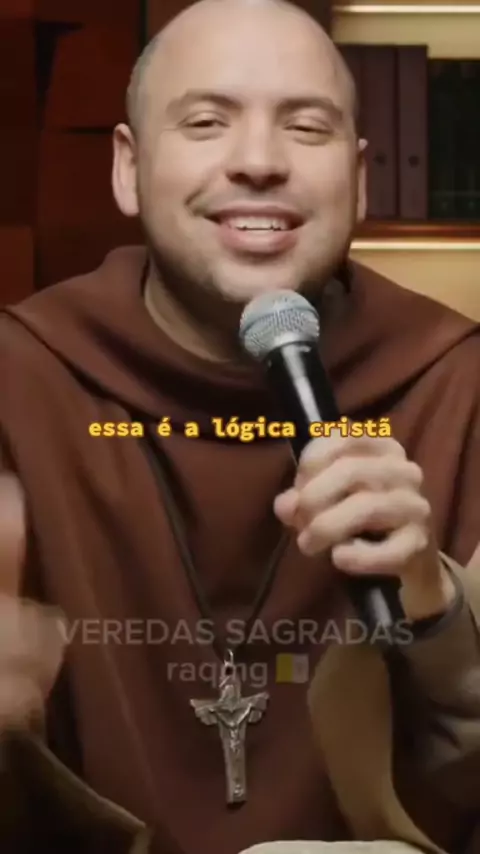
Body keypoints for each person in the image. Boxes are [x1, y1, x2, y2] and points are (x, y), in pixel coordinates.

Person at [0, 0, 480, 852]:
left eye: (306, 127)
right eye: (207, 122)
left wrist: (438, 615)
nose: (259, 162)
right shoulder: (19, 380)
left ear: (360, 179)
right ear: (128, 168)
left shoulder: (459, 384)